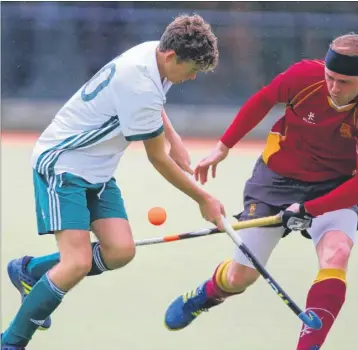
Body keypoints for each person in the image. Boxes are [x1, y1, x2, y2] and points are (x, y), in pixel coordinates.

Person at [1, 14, 226, 350]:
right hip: (64, 164)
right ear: (171, 57)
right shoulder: (139, 81)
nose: (192, 77)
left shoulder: (154, 53)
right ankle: (11, 342)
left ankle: (30, 271)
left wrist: (175, 137)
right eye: (192, 69)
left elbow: (154, 105)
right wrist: (203, 198)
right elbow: (157, 159)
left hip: (99, 169)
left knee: (119, 251)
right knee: (75, 263)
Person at [164, 33, 358, 350]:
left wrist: (309, 209)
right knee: (239, 278)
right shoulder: (303, 76)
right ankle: (207, 293)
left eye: (345, 82)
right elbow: (263, 100)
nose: (334, 88)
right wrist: (223, 147)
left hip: (336, 185)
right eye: (330, 78)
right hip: (276, 181)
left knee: (337, 254)